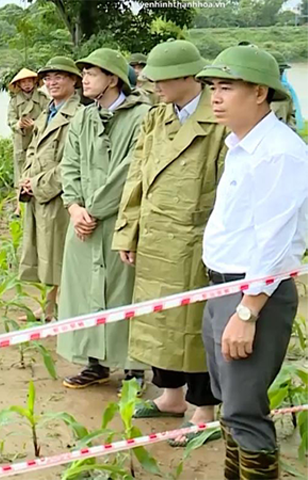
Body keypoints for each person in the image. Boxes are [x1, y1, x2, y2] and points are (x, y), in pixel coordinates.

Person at [196, 45, 308, 479]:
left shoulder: (279, 152)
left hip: (252, 293)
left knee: (244, 410)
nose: (216, 97)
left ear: (260, 93)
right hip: (222, 286)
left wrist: (247, 311)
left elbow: (276, 244)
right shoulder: (242, 144)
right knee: (230, 402)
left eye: (227, 87)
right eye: (212, 87)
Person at [113, 40, 226, 446]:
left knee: (194, 328)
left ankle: (204, 409)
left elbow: (227, 193)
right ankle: (170, 395)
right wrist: (127, 231)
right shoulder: (156, 118)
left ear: (187, 78)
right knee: (157, 321)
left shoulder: (218, 121)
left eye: (159, 78)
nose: (149, 83)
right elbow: (136, 177)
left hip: (196, 240)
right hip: (155, 236)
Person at [56, 48, 151, 392]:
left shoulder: (142, 117)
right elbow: (70, 164)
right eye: (83, 73)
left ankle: (133, 368)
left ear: (113, 78)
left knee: (124, 292)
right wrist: (74, 207)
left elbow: (130, 171)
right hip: (82, 222)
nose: (84, 79)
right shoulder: (83, 117)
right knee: (83, 293)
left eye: (92, 73)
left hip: (118, 220)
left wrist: (93, 210)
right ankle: (93, 363)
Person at [18, 57, 84, 323]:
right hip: (38, 194)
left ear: (73, 80)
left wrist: (37, 184)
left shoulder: (78, 115)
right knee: (43, 252)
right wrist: (25, 179)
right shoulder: (48, 112)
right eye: (48, 78)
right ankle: (47, 307)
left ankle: (62, 309)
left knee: (60, 254)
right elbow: (32, 149)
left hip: (61, 196)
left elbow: (72, 163)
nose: (52, 83)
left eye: (59, 77)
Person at [8, 68, 48, 216]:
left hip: (38, 139)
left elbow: (49, 117)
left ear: (34, 82)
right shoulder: (14, 101)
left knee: (38, 169)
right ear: (19, 85)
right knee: (20, 172)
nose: (26, 85)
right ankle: (19, 207)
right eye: (23, 82)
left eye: (29, 81)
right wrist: (18, 124)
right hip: (21, 141)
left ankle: (38, 201)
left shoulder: (43, 99)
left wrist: (35, 124)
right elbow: (10, 119)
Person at [269, 51, 299, 131]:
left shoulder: (286, 94)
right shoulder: (253, 94)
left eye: (282, 70)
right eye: (278, 70)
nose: (280, 73)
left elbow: (291, 117)